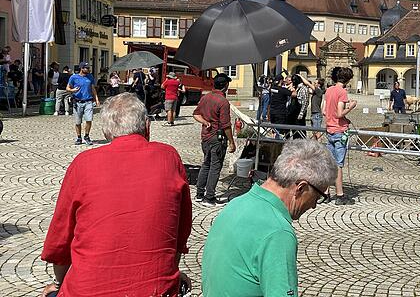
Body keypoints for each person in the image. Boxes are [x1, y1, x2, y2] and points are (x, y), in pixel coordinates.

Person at [39, 93, 192, 297]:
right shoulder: (169, 157)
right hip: (156, 290)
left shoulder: (84, 163)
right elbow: (180, 233)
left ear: (106, 131)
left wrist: (60, 283)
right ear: (147, 126)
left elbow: (59, 244)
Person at [201, 140, 337, 296]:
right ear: (301, 188)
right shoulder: (278, 232)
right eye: (318, 196)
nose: (313, 205)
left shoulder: (236, 204)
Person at [193, 73, 236, 207]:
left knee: (206, 164)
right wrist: (231, 142)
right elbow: (226, 125)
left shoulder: (206, 97)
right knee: (215, 167)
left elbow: (195, 114)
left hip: (205, 137)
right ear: (226, 86)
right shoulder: (223, 102)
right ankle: (209, 197)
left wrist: (205, 122)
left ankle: (199, 194)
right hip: (217, 139)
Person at [323, 66, 357, 205]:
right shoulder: (342, 92)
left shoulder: (329, 90)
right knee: (338, 165)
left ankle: (325, 194)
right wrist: (351, 106)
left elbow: (324, 110)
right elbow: (339, 113)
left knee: (329, 163)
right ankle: (340, 195)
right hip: (339, 131)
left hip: (329, 129)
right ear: (348, 80)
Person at [66, 62, 100, 146]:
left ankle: (87, 136)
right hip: (77, 102)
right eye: (87, 68)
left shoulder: (90, 77)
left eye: (89, 68)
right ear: (82, 68)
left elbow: (93, 88)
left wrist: (96, 99)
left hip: (88, 101)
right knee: (78, 122)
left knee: (89, 120)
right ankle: (79, 137)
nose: (89, 69)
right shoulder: (74, 77)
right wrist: (72, 90)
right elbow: (67, 88)